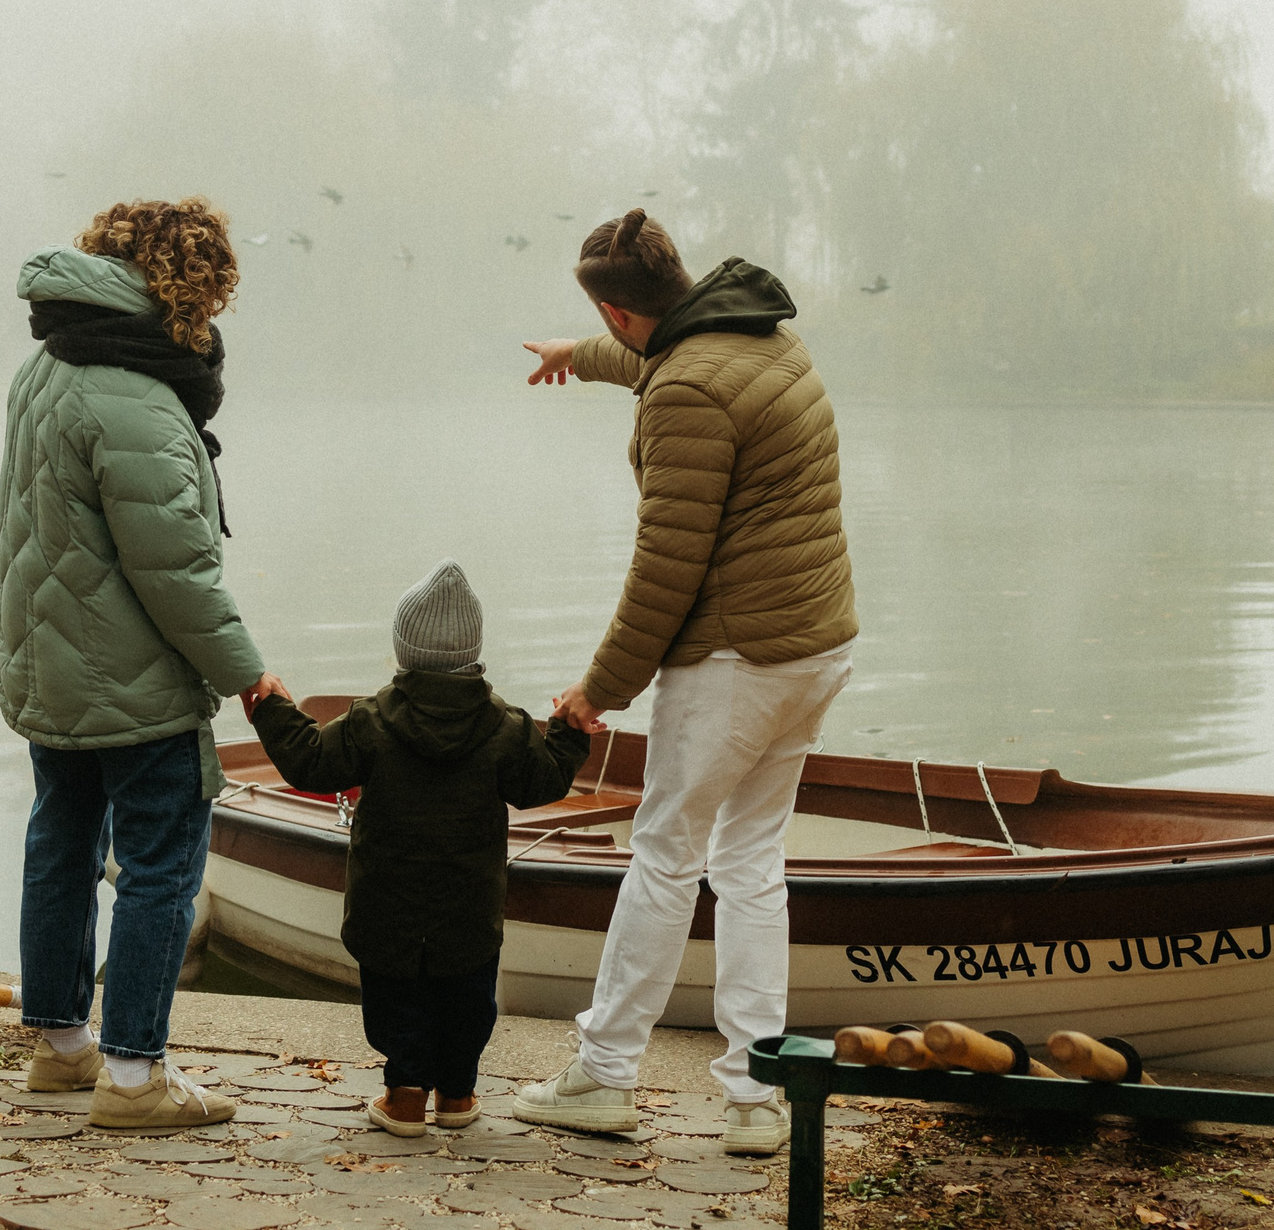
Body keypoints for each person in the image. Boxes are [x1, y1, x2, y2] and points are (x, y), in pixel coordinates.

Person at [511, 209, 857, 1154]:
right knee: (750, 861)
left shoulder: (686, 392)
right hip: (812, 648)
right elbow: (664, 364)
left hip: (737, 657)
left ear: (626, 309)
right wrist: (576, 354)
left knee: (665, 852)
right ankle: (755, 1093)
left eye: (603, 322)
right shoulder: (763, 338)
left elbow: (665, 568)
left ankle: (604, 1074)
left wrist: (597, 691)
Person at [0, 196, 286, 1131]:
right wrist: (249, 674)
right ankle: (134, 1080)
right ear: (188, 286)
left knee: (62, 844)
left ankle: (61, 1048)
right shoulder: (137, 398)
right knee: (161, 864)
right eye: (213, 294)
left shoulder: (43, 368)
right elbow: (177, 573)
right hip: (135, 683)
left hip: (49, 666)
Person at [243, 560, 592, 1136]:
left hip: (388, 900)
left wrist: (272, 707)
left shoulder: (370, 721)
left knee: (394, 992)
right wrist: (569, 730)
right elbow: (544, 783)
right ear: (474, 653)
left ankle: (405, 1096)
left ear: (404, 651)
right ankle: (457, 1096)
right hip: (469, 903)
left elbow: (307, 762)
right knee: (467, 994)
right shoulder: (506, 727)